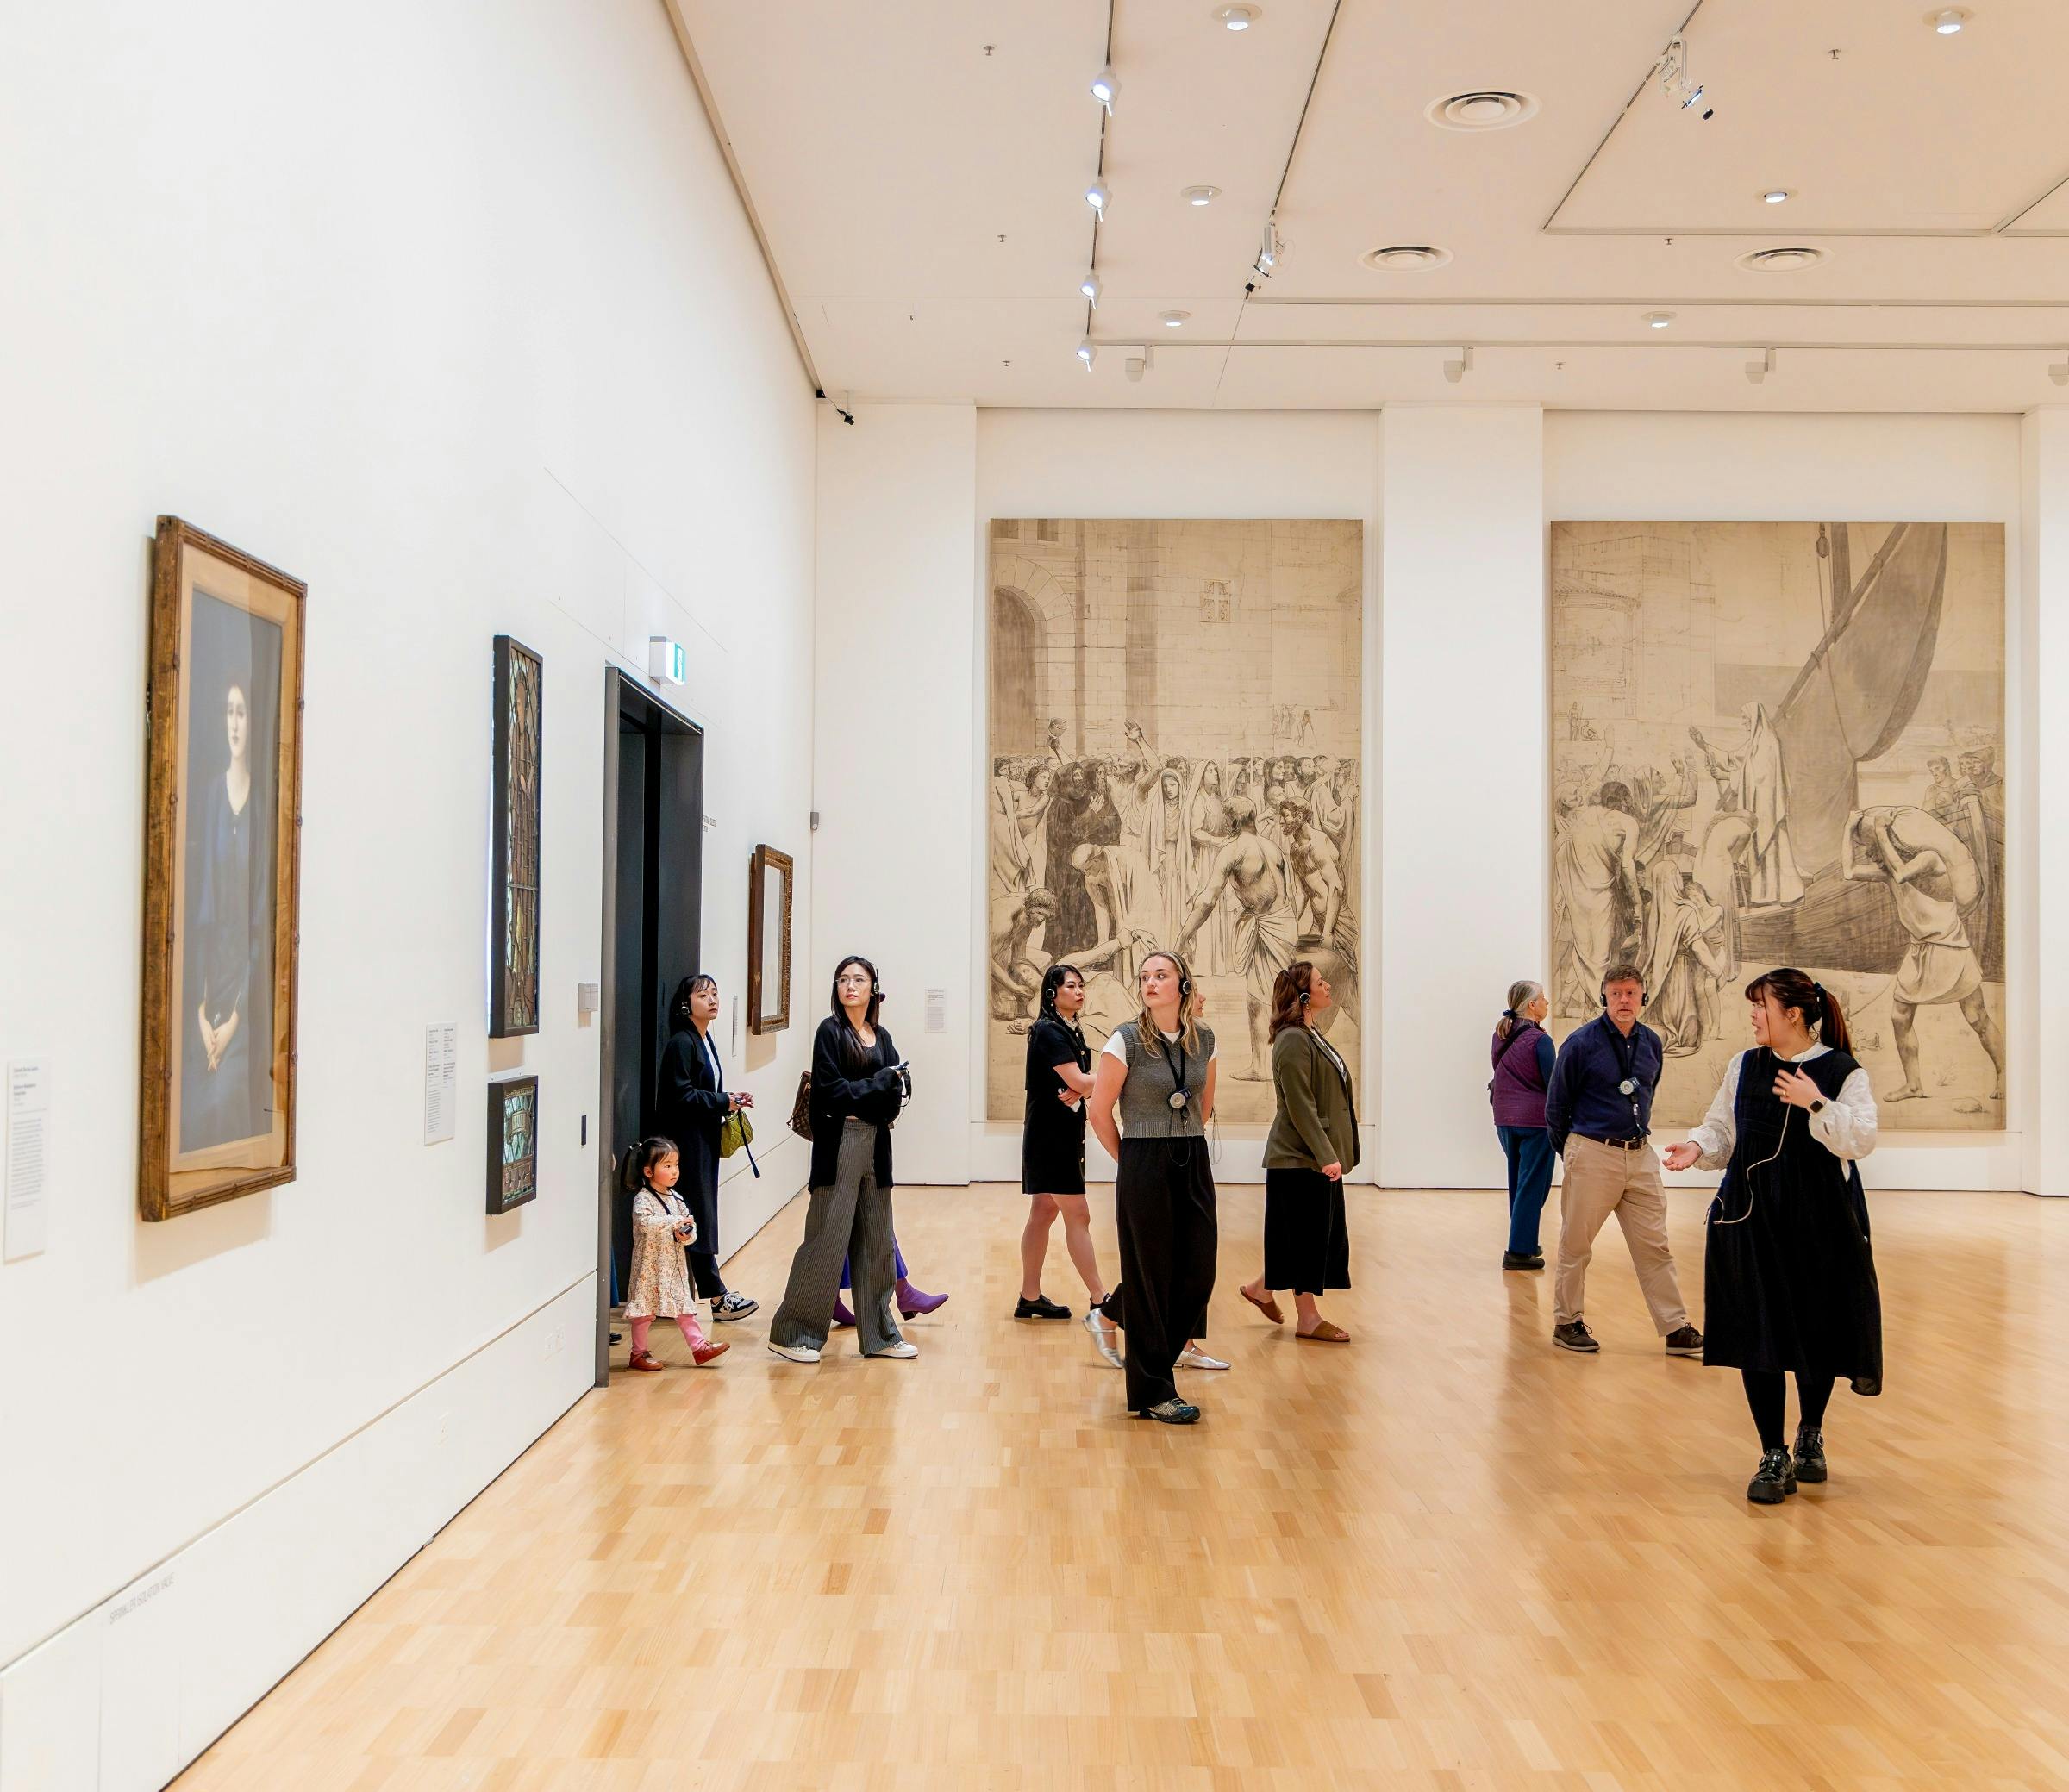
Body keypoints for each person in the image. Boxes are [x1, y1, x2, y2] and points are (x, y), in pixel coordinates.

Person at [1663, 970, 1881, 1505]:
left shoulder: (1843, 1071)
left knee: (1816, 1332)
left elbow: (1860, 1141)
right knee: (1756, 1334)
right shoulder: (1745, 1065)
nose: (1753, 1016)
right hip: (1751, 1218)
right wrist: (1698, 1147)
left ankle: (1810, 1432)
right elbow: (1722, 1128)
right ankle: (1772, 1452)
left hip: (1821, 1222)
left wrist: (1815, 1102)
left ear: (1794, 1014)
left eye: (1760, 1006)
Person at [1543, 964, 1704, 1358]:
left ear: (1643, 998)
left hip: (1640, 1155)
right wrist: (1575, 1152)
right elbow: (1556, 1106)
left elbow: (1646, 1093)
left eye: (1631, 993)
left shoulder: (1651, 1042)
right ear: (1604, 997)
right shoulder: (1580, 1044)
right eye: (1615, 993)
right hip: (1592, 1152)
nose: (1624, 1000)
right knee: (1576, 1244)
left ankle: (1675, 1328)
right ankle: (1568, 1322)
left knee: (1655, 1246)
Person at [1085, 952, 1219, 1424]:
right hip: (1142, 1160)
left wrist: (1181, 1143)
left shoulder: (1204, 1039)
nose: (1150, 983)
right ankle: (1155, 1390)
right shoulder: (1125, 1041)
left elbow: (1204, 1102)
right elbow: (1099, 1112)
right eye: (1144, 977)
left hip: (1191, 1156)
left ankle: (1144, 1350)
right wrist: (1133, 1162)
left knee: (1199, 1270)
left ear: (1183, 983)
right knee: (1148, 1278)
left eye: (1161, 975)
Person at [766, 957, 916, 1364]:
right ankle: (793, 1332)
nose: (850, 986)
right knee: (826, 1239)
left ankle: (881, 1335)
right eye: (843, 979)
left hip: (876, 1143)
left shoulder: (881, 1036)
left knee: (877, 1240)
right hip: (839, 1142)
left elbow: (894, 1095)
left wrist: (877, 1091)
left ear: (873, 989)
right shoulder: (829, 1032)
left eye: (859, 979)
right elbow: (830, 1092)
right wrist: (876, 1086)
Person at [1841, 806, 2004, 1102]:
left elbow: (1902, 873)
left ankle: (2006, 1076)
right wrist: (1849, 828)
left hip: (1949, 947)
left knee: (1977, 1018)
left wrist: (1879, 830)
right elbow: (1848, 871)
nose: (1872, 854)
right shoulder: (1889, 871)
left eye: (1874, 847)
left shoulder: (1929, 859)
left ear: (1891, 840)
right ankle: (1914, 1085)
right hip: (1919, 951)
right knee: (1899, 1017)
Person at [1240, 961, 1358, 1341]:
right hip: (1298, 1156)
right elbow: (1299, 1104)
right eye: (1321, 983)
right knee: (1306, 1238)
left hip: (1309, 1155)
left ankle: (1261, 1288)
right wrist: (1325, 1154)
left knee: (1300, 1236)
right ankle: (1307, 1318)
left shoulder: (1311, 1033)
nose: (1328, 987)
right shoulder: (1292, 1039)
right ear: (1303, 996)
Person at [1015, 965, 1122, 1364]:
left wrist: (1079, 1090)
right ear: (1052, 993)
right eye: (1071, 986)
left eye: (1081, 986)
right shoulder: (1048, 1030)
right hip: (1050, 1137)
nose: (1079, 992)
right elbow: (1076, 1078)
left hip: (1060, 1132)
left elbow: (1075, 1083)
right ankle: (1100, 1300)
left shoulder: (1070, 1027)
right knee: (1078, 1213)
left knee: (1043, 1211)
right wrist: (1116, 1079)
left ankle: (1029, 1298)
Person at [186, 676, 272, 1150]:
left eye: (241, 712)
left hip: (244, 991)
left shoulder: (260, 805)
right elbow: (201, 912)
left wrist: (235, 1018)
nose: (234, 723)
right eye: (228, 712)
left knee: (226, 1104)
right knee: (198, 1109)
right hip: (209, 989)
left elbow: (259, 921)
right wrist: (202, 1013)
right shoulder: (211, 799)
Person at [654, 975, 759, 1323]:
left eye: (715, 993)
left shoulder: (704, 1039)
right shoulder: (681, 1043)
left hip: (702, 1138)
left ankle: (684, 1298)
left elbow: (703, 1091)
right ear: (687, 1004)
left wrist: (729, 1101)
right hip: (686, 1143)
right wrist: (722, 1100)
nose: (712, 1000)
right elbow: (680, 1096)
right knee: (695, 1215)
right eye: (703, 995)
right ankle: (716, 1297)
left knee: (697, 1214)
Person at [1174, 795, 1297, 1081]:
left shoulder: (1233, 850)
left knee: (1268, 998)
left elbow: (1208, 901)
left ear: (1231, 821)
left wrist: (1184, 936)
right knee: (1264, 996)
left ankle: (1268, 1067)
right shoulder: (1272, 846)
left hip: (1268, 926)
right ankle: (1262, 1065)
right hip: (1283, 922)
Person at [620, 1136, 729, 1371]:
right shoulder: (643, 1199)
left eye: (676, 1165)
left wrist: (686, 1235)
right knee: (644, 1312)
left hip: (674, 1267)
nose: (674, 1171)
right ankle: (638, 1353)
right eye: (667, 1166)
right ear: (648, 1171)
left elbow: (691, 1229)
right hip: (649, 1268)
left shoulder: (677, 1198)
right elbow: (644, 1223)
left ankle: (700, 1348)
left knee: (685, 1309)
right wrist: (674, 1223)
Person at [1550, 784, 1641, 1009]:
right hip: (1604, 894)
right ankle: (1599, 1008)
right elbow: (1628, 867)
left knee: (1584, 950)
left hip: (1579, 894)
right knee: (1601, 954)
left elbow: (1564, 847)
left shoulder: (1586, 816)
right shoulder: (1628, 822)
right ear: (1625, 800)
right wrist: (1636, 901)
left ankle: (1590, 1008)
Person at [1490, 980, 1556, 1270]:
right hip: (1536, 1122)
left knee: (1519, 1183)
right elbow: (1554, 1084)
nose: (1546, 1002)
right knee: (1534, 1186)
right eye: (1542, 998)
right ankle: (1518, 1249)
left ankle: (1524, 1239)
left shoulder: (1500, 1034)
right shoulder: (1541, 1041)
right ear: (1531, 1005)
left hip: (1504, 1118)